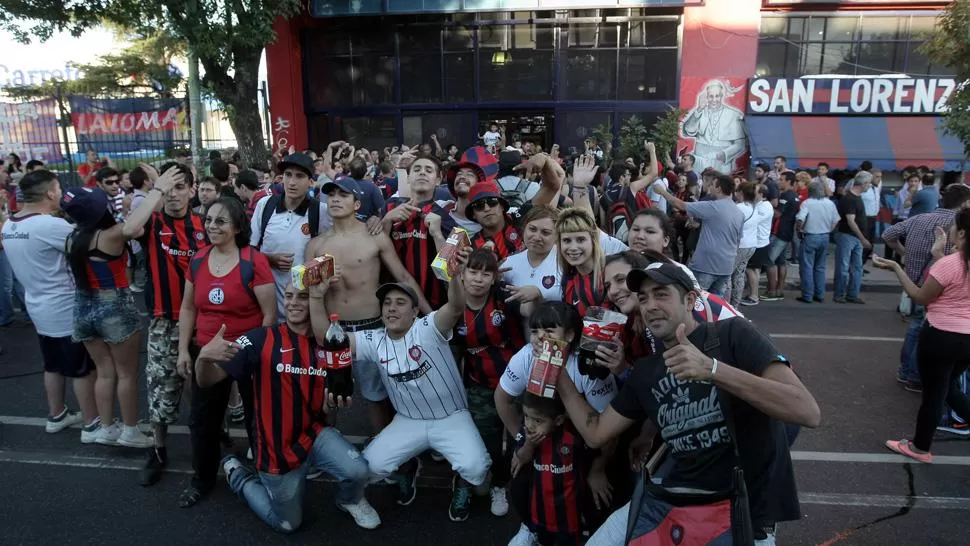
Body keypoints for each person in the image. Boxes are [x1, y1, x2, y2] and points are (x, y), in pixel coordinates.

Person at [559, 261, 820, 546]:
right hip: (673, 502)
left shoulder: (733, 335)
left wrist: (713, 370)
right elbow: (596, 433)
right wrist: (554, 369)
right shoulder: (646, 371)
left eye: (661, 294)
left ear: (690, 300)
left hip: (742, 510)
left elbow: (806, 411)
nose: (650, 306)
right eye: (644, 299)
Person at [309, 266, 493, 520]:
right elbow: (326, 338)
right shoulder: (374, 340)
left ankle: (463, 482)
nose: (391, 308)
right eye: (386, 303)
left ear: (415, 311)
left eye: (400, 303)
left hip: (451, 418)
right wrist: (316, 297)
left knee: (477, 471)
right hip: (408, 421)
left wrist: (454, 276)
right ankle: (407, 466)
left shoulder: (427, 328)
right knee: (369, 470)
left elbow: (455, 306)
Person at [194, 283, 380, 532]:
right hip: (276, 449)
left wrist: (332, 405)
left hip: (314, 434)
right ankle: (239, 477)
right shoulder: (260, 338)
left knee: (358, 471)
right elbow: (206, 381)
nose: (292, 302)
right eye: (289, 296)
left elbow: (329, 410)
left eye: (302, 297)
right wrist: (204, 358)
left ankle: (350, 500)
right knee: (287, 524)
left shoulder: (328, 344)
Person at [304, 176, 430, 435]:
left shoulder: (375, 236)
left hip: (372, 326)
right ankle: (326, 447)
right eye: (331, 195)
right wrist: (319, 288)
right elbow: (307, 289)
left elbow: (403, 277)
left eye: (343, 195)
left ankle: (385, 454)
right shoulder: (316, 244)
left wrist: (430, 316)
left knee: (376, 395)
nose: (336, 199)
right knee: (329, 394)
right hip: (332, 330)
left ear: (357, 203)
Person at [177, 196, 278, 507]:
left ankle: (265, 474)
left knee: (256, 417)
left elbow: (269, 315)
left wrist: (245, 349)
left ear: (236, 227)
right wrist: (184, 350)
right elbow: (188, 307)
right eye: (208, 220)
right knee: (202, 419)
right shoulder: (198, 259)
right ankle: (202, 479)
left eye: (220, 221)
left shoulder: (253, 260)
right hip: (207, 350)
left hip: (246, 349)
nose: (211, 226)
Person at [495, 301, 617, 546]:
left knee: (591, 496)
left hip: (581, 440)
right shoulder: (527, 355)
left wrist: (598, 469)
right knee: (519, 483)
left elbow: (609, 428)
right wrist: (521, 439)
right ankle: (530, 526)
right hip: (538, 436)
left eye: (550, 331)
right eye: (535, 330)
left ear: (570, 335)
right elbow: (503, 399)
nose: (541, 337)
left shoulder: (589, 365)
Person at [123, 162, 208, 485]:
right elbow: (129, 230)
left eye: (180, 186)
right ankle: (158, 449)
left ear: (191, 189)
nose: (174, 194)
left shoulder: (204, 223)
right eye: (168, 188)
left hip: (204, 320)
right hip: (163, 321)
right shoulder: (153, 222)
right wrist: (156, 189)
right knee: (161, 387)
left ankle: (214, 433)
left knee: (203, 385)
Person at [1, 170, 98, 441]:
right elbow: (91, 246)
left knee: (52, 364)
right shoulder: (49, 226)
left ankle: (57, 414)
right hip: (64, 305)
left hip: (38, 304)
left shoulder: (10, 225)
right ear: (51, 193)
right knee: (82, 368)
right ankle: (91, 424)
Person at [874, 208, 970, 463]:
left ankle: (919, 447)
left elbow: (920, 297)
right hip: (967, 338)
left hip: (940, 335)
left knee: (934, 393)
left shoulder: (951, 264)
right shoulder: (951, 262)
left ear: (961, 232)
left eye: (952, 227)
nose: (948, 231)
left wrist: (896, 266)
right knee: (949, 388)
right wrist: (938, 252)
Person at [62, 187, 153, 448]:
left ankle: (107, 428)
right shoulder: (111, 235)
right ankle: (131, 431)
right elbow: (135, 224)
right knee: (126, 374)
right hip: (114, 307)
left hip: (82, 307)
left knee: (104, 372)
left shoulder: (73, 237)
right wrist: (157, 189)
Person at [454, 248, 526, 520]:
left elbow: (528, 311)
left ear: (495, 277)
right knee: (488, 441)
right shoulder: (453, 306)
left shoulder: (504, 300)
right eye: (473, 271)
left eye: (486, 273)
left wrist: (535, 294)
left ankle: (501, 485)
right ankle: (470, 483)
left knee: (520, 436)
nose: (479, 279)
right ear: (462, 274)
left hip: (515, 384)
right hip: (479, 385)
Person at [882, 184, 970, 393]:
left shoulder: (920, 218)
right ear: (964, 203)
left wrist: (903, 253)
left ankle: (906, 371)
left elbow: (888, 235)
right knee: (923, 326)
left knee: (915, 325)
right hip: (940, 285)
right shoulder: (959, 225)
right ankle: (915, 375)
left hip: (915, 278)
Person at [252, 152, 333, 318]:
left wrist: (302, 277)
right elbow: (248, 252)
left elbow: (330, 259)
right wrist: (268, 259)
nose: (292, 182)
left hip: (305, 311)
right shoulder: (264, 205)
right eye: (288, 175)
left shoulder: (321, 211)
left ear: (311, 182)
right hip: (267, 311)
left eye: (299, 176)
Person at [514, 393, 590, 546]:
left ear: (558, 420)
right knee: (544, 541)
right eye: (527, 416)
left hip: (568, 516)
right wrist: (530, 444)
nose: (530, 425)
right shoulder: (526, 434)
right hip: (539, 511)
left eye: (538, 420)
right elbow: (522, 457)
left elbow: (587, 461)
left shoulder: (573, 437)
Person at [650, 173, 743, 297]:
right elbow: (737, 241)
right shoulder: (739, 212)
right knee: (716, 305)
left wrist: (662, 191)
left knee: (696, 301)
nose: (710, 187)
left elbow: (680, 205)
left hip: (706, 265)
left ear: (719, 188)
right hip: (726, 266)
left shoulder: (713, 207)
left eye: (713, 185)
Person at [502, 206, 562, 308]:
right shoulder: (509, 264)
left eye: (545, 232)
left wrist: (538, 295)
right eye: (532, 229)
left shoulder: (566, 261)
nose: (537, 237)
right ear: (524, 229)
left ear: (557, 236)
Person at [796, 181, 840, 304]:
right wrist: (829, 230)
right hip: (824, 236)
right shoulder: (829, 203)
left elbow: (800, 218)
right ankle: (819, 294)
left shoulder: (807, 203)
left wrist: (799, 229)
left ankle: (807, 295)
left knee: (807, 267)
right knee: (820, 267)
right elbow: (836, 220)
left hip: (810, 236)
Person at [761, 171, 799, 301]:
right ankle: (779, 290)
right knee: (781, 262)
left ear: (789, 181)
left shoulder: (785, 195)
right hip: (787, 232)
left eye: (782, 179)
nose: (779, 181)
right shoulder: (794, 195)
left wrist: (765, 207)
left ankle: (771, 291)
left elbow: (777, 213)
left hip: (780, 233)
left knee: (768, 261)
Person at [834, 174, 872, 304]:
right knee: (844, 267)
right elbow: (851, 221)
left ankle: (852, 294)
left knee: (857, 267)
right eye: (869, 183)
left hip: (854, 237)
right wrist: (863, 238)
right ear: (863, 184)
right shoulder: (850, 199)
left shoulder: (856, 197)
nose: (870, 186)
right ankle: (840, 294)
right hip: (848, 236)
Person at [466, 182, 525, 262]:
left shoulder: (521, 217)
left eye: (492, 202)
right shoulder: (472, 248)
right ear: (473, 214)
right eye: (478, 206)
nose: (487, 209)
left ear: (501, 206)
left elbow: (547, 190)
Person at [742, 183, 775, 306]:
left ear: (761, 194)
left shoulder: (764, 207)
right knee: (754, 270)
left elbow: (752, 220)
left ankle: (754, 296)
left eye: (754, 191)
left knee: (751, 269)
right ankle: (753, 293)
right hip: (759, 242)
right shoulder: (760, 205)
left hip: (759, 243)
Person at [730, 181, 759, 308]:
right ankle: (735, 305)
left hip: (740, 246)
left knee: (727, 276)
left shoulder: (739, 208)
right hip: (751, 245)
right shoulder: (753, 207)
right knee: (739, 274)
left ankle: (727, 305)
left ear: (741, 193)